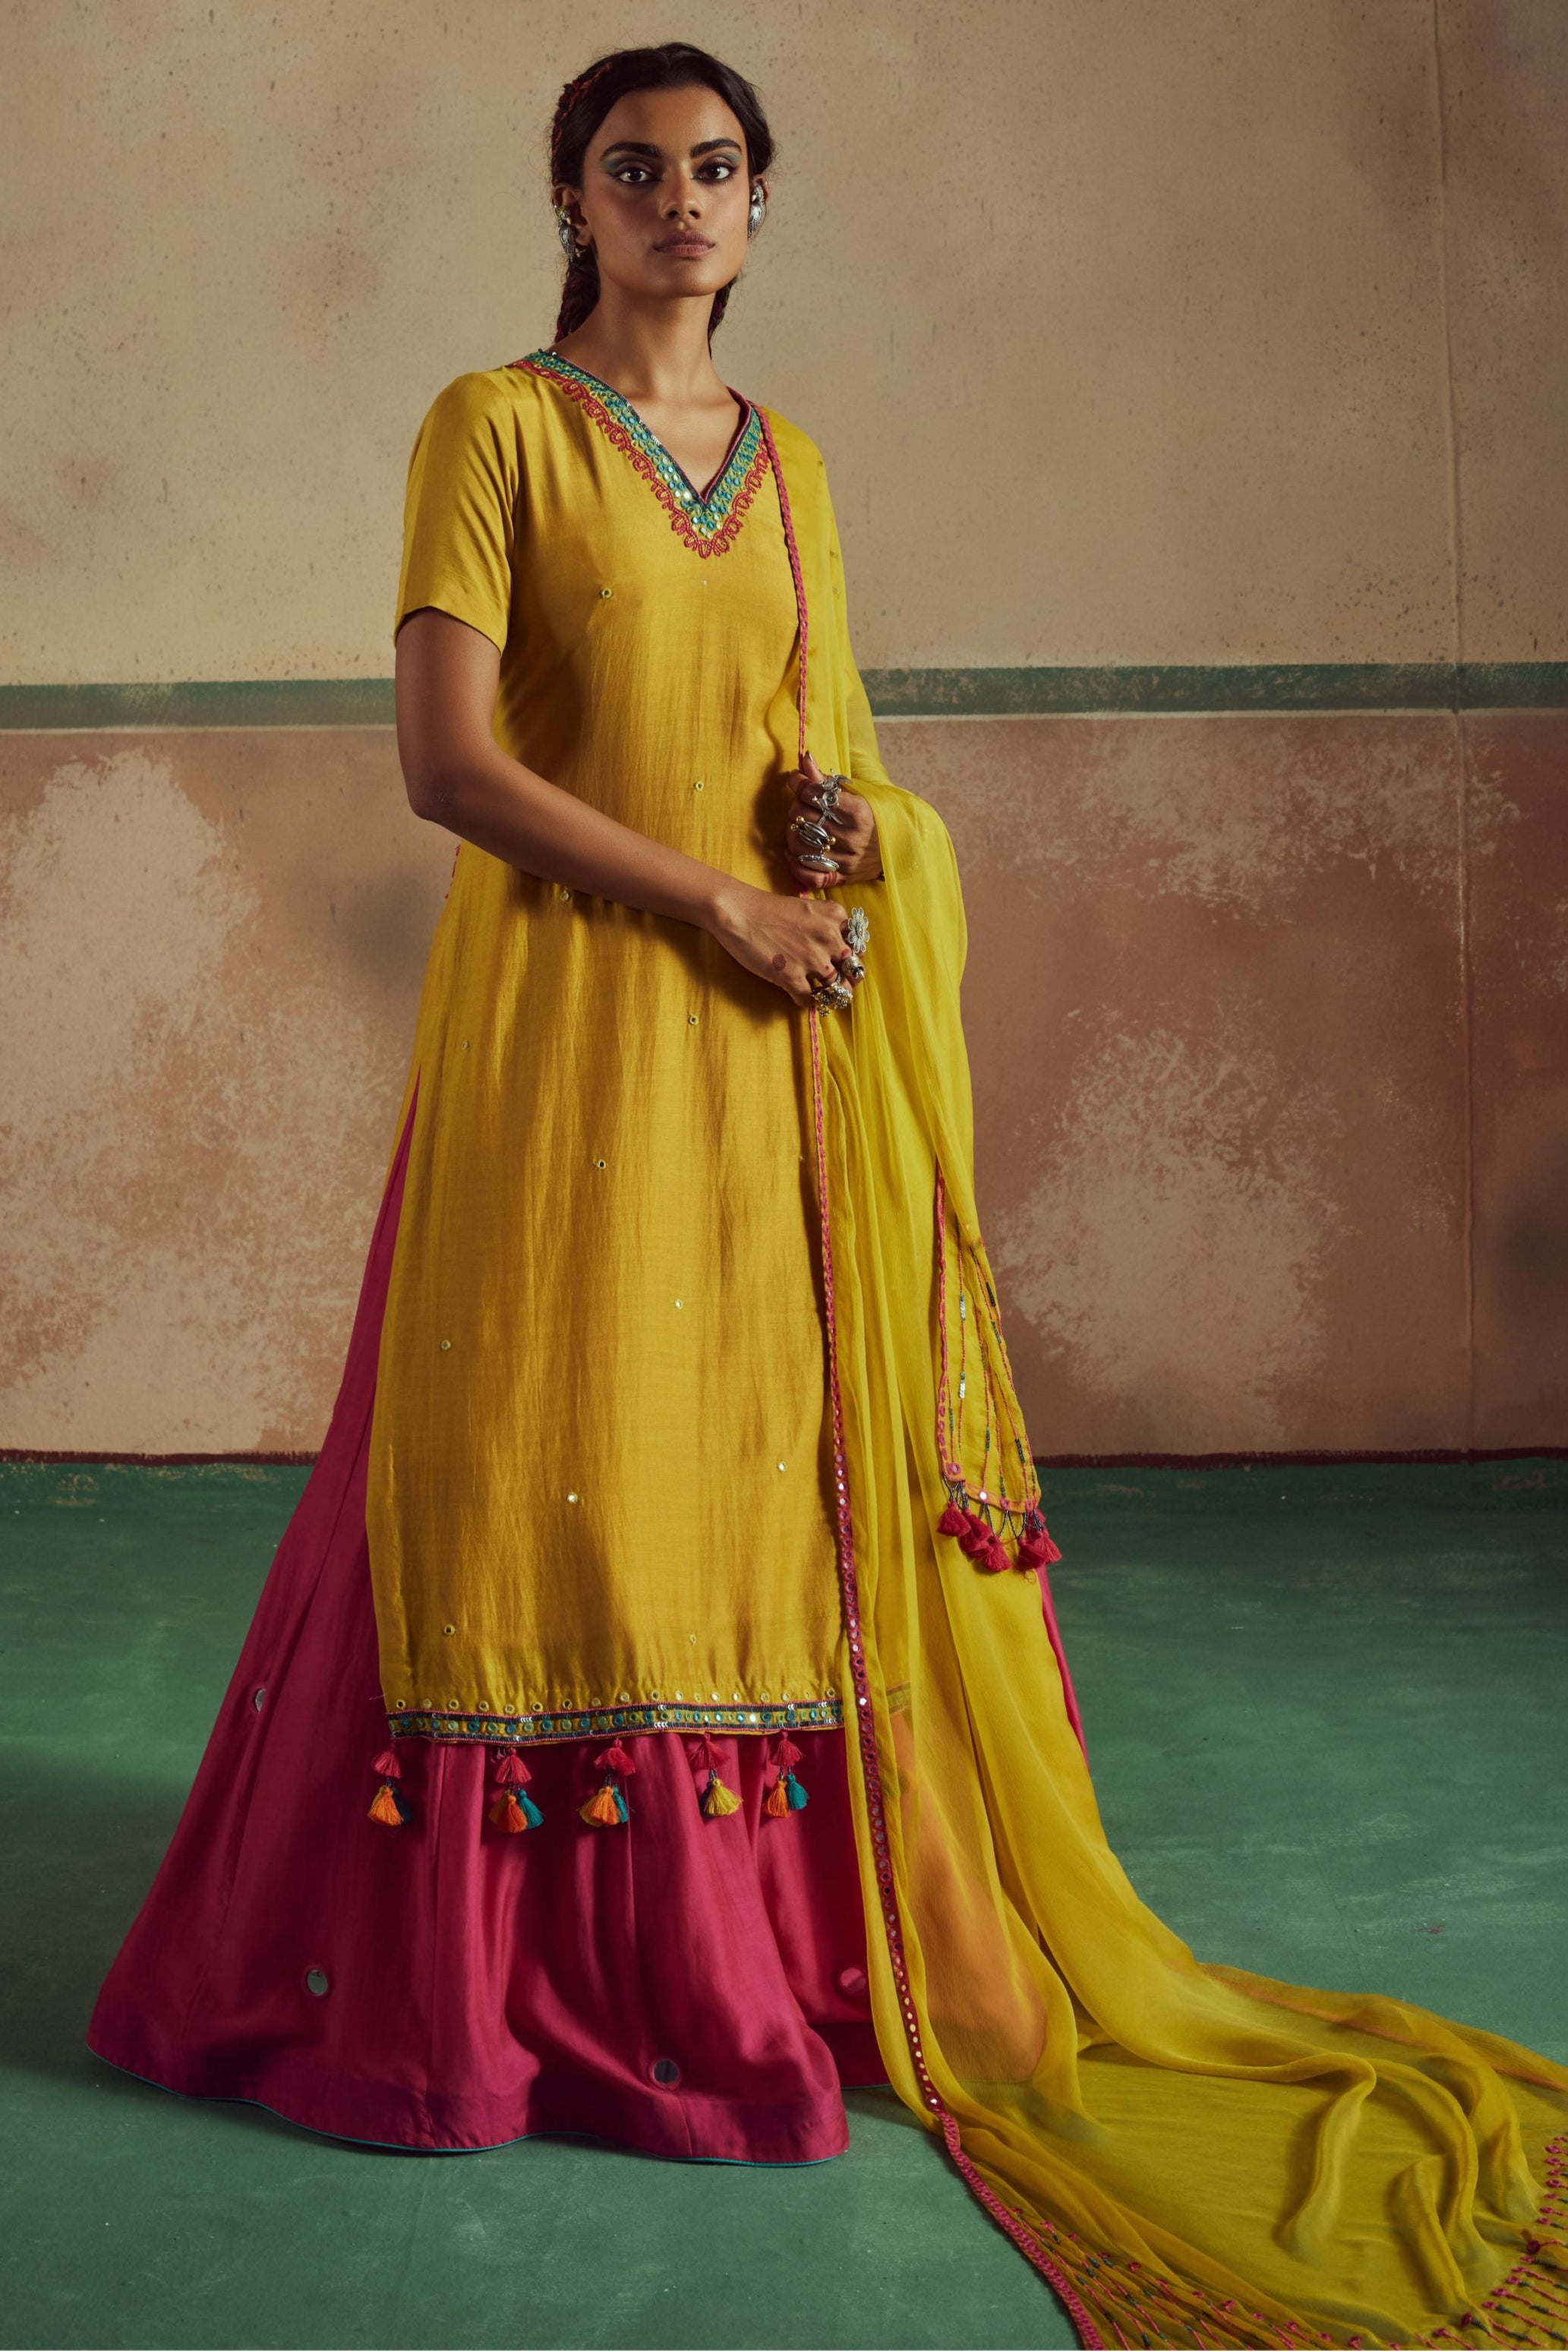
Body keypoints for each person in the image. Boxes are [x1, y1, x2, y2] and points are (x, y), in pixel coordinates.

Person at [90, 41, 1567, 2348]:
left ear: (761, 205)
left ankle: (743, 1961)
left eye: (716, 169)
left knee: (744, 1482)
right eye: (634, 169)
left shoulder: (789, 469)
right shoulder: (493, 430)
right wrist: (714, 900)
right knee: (531, 1472)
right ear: (570, 201)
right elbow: (447, 766)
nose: (678, 200)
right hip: (570, 1021)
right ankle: (483, 1987)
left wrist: (863, 840)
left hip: (759, 1044)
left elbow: (827, 761)